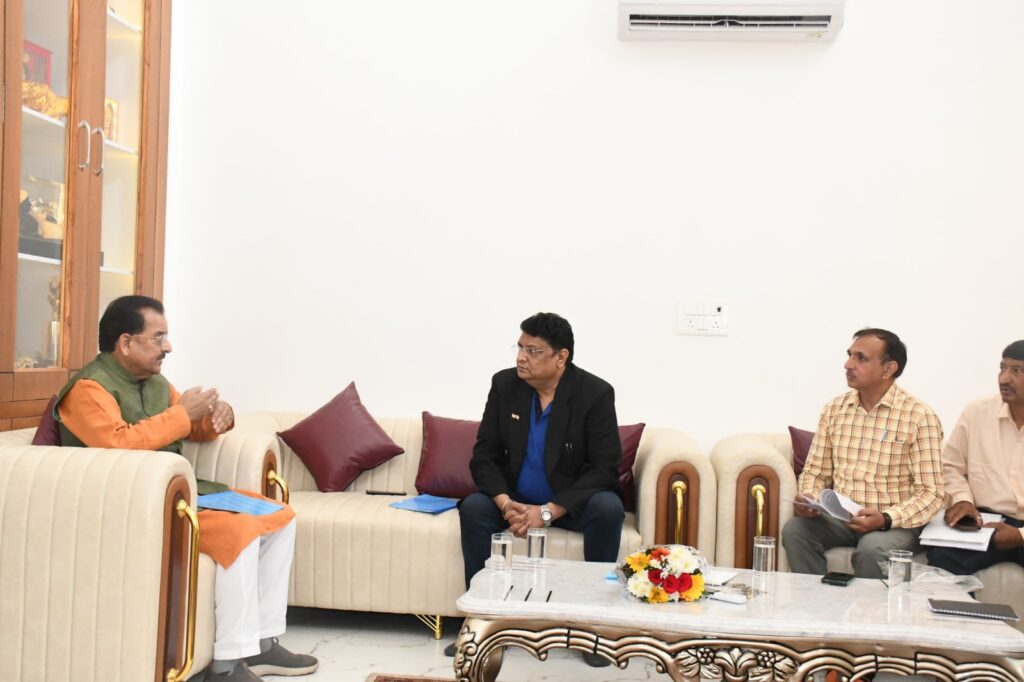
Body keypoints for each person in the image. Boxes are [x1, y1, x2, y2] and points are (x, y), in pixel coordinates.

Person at [55, 296, 317, 682]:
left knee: (281, 516)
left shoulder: (156, 383)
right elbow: (117, 444)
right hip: (137, 506)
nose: (168, 347)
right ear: (125, 343)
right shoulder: (87, 390)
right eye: (158, 337)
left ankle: (262, 641)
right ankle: (227, 665)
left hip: (180, 494)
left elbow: (193, 426)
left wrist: (217, 417)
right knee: (241, 531)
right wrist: (184, 413)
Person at [450, 312, 625, 667]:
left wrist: (548, 512)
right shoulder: (505, 385)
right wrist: (505, 503)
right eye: (519, 348)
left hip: (567, 505)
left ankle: (596, 630)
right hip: (515, 500)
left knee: (608, 507)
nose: (521, 358)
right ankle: (481, 627)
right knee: (474, 507)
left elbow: (605, 468)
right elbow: (484, 456)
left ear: (561, 357)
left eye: (533, 351)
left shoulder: (594, 393)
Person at [782, 328, 944, 578]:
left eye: (861, 358)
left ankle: (862, 606)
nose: (848, 365)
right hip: (842, 518)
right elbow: (816, 472)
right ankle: (818, 601)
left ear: (889, 369)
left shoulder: (919, 417)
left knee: (872, 548)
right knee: (796, 531)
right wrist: (810, 498)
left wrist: (886, 518)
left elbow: (931, 493)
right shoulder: (835, 409)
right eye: (849, 355)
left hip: (894, 523)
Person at [926, 340, 1024, 575]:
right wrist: (962, 501)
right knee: (942, 556)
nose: (1004, 379)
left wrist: (1020, 535)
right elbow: (950, 466)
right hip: (987, 522)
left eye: (1017, 370)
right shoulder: (977, 412)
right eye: (1002, 368)